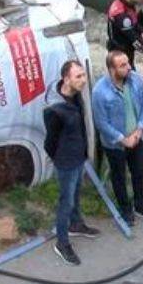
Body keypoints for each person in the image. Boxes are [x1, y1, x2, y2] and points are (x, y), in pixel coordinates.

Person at [93, 50, 143, 227]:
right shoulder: (100, 91)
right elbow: (101, 123)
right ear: (112, 69)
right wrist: (123, 139)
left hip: (137, 137)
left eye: (128, 63)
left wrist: (139, 129)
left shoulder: (135, 79)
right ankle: (126, 210)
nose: (129, 67)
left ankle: (142, 206)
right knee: (119, 176)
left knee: (139, 172)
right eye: (123, 65)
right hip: (115, 144)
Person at [43, 60, 100, 266]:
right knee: (65, 202)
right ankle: (62, 242)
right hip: (66, 161)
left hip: (78, 156)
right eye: (78, 77)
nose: (83, 81)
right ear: (66, 79)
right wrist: (61, 158)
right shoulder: (55, 109)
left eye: (83, 75)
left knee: (75, 194)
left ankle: (76, 224)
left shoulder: (74, 96)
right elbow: (50, 142)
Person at [107, 0, 143, 149]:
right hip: (120, 59)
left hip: (123, 56)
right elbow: (134, 40)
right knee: (132, 96)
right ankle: (137, 136)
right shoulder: (119, 13)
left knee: (130, 95)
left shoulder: (127, 6)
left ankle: (134, 132)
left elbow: (136, 26)